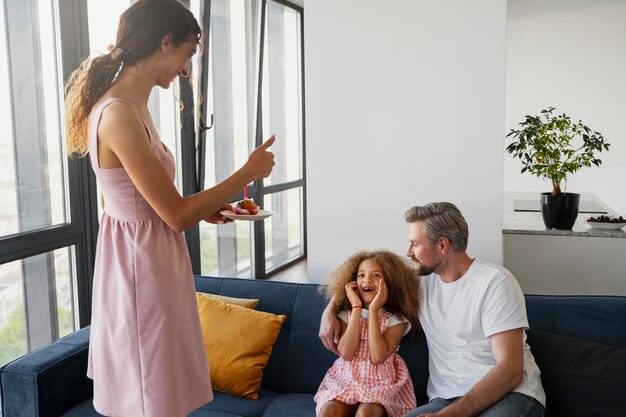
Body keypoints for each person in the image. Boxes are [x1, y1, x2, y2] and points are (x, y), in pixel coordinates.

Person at [64, 1, 275, 416]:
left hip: (152, 261)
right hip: (141, 272)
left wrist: (206, 209)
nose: (185, 69)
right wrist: (247, 171)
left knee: (161, 393)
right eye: (188, 53)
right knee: (150, 395)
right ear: (164, 42)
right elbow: (174, 214)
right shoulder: (118, 114)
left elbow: (135, 203)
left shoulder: (135, 108)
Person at [319, 203, 546, 417]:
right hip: (445, 399)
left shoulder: (495, 282)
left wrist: (450, 415)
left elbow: (510, 370)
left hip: (510, 396)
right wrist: (330, 310)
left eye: (415, 244)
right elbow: (365, 286)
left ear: (443, 245)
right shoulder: (419, 284)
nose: (408, 252)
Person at [315, 250, 420, 417]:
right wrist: (356, 308)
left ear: (389, 282)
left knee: (366, 413)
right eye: (361, 275)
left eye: (376, 275)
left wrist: (373, 310)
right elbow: (347, 353)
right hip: (347, 378)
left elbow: (378, 357)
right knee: (328, 411)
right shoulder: (346, 314)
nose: (367, 280)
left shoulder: (396, 320)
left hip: (380, 382)